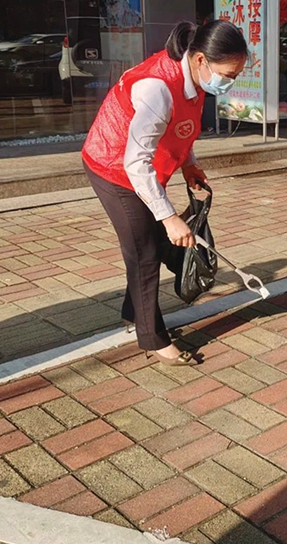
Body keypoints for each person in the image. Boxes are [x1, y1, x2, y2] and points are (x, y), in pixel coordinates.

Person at [82, 20, 247, 364]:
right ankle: (153, 338)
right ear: (201, 59)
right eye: (227, 75)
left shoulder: (194, 79)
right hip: (114, 167)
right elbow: (135, 162)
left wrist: (189, 164)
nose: (230, 82)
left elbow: (180, 127)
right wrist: (169, 217)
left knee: (147, 242)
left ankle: (134, 311)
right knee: (144, 251)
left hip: (140, 167)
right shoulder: (158, 88)